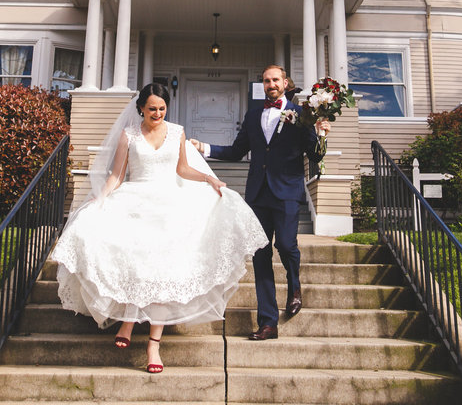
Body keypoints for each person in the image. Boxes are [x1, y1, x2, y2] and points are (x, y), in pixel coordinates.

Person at [50, 82, 267, 374]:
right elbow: (117, 175)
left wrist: (208, 179)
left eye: (162, 108)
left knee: (165, 267)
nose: (157, 113)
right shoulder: (128, 136)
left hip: (169, 204)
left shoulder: (176, 132)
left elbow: (182, 169)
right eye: (152, 108)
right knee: (138, 263)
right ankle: (128, 320)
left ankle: (154, 344)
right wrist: (99, 198)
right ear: (141, 108)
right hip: (136, 199)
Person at [191, 64, 326, 341]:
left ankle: (295, 284)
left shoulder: (302, 114)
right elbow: (236, 151)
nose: (271, 84)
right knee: (261, 255)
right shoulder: (253, 116)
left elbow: (314, 155)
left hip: (287, 191)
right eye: (266, 80)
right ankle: (268, 323)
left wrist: (321, 133)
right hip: (258, 194)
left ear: (285, 82)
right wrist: (204, 147)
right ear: (262, 85)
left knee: (286, 245)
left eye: (275, 79)